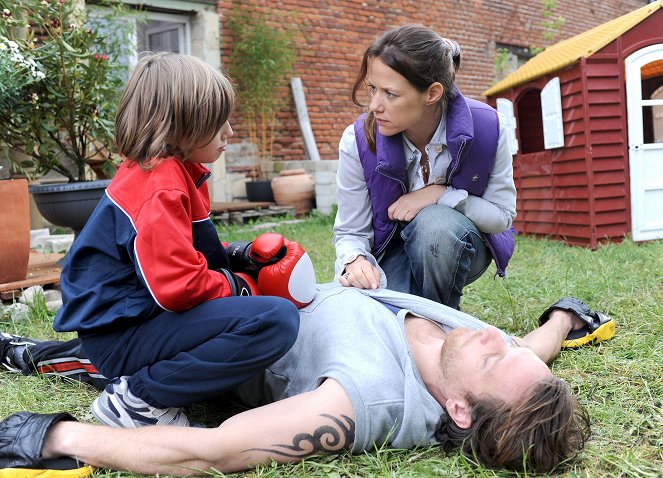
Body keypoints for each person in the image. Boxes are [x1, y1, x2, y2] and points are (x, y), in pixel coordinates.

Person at [1, 287, 616, 474]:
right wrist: (563, 316)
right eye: (501, 343)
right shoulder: (490, 359)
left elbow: (212, 451)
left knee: (98, 355)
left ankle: (26, 356)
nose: (490, 337)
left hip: (213, 344)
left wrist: (57, 439)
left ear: (459, 410)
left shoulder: (361, 397)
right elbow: (537, 350)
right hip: (249, 293)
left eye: (492, 357)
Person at [47, 51, 316, 429]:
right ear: (183, 127)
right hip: (123, 336)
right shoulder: (160, 186)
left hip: (137, 322)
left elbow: (181, 256)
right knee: (275, 320)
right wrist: (237, 286)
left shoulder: (176, 173)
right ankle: (139, 400)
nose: (230, 132)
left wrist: (237, 257)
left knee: (261, 314)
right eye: (219, 122)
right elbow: (177, 286)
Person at [333, 25, 517, 309]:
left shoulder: (490, 127)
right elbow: (351, 232)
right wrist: (354, 260)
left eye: (390, 94)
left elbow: (502, 216)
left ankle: (442, 319)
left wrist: (441, 195)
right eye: (372, 88)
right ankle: (423, 320)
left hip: (458, 243)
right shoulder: (356, 141)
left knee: (435, 225)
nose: (374, 106)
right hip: (391, 250)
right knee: (370, 312)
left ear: (432, 93)